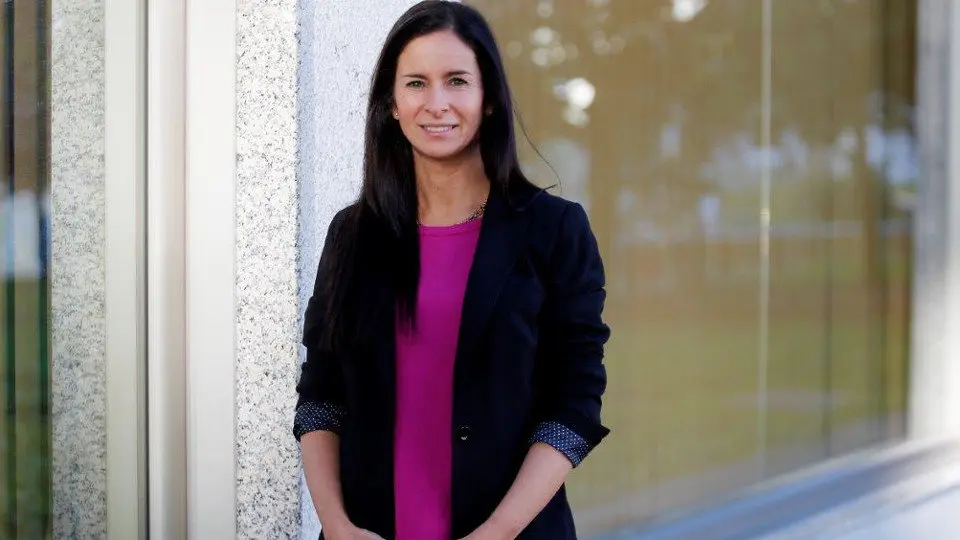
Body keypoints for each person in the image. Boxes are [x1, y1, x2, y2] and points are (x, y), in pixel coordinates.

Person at [293, 2, 610, 538]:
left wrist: (497, 532)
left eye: (457, 81)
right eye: (416, 83)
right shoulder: (352, 234)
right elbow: (321, 398)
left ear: (489, 99)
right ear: (391, 103)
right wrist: (338, 526)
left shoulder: (554, 230)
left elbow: (573, 405)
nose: (436, 103)